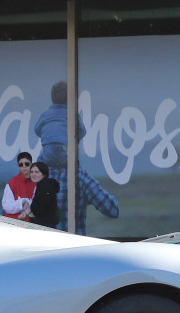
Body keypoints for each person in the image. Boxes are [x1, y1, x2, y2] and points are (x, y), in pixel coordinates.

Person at [34, 80, 119, 235]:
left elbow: (37, 129)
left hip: (40, 255)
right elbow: (113, 210)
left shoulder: (30, 181)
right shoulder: (79, 178)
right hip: (71, 254)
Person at [1, 150, 36, 219]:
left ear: (31, 164)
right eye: (21, 165)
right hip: (15, 224)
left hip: (32, 224)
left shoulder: (36, 181)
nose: (24, 167)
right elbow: (7, 206)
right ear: (18, 166)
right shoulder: (12, 183)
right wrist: (22, 203)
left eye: (27, 164)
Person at [27, 161, 60, 228]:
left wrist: (29, 213)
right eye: (32, 172)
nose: (33, 174)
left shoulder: (44, 188)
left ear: (44, 174)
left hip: (43, 228)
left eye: (37, 172)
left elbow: (38, 211)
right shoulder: (45, 186)